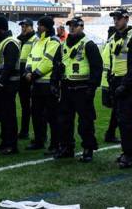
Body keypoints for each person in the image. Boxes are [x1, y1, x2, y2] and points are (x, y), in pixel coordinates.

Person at [56, 17, 102, 161]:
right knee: (64, 121)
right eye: (70, 26)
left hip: (83, 89)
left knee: (85, 122)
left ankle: (88, 149)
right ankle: (66, 147)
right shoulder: (62, 45)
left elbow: (97, 68)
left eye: (75, 26)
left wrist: (92, 88)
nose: (72, 28)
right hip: (66, 87)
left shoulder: (89, 44)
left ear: (82, 27)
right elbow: (56, 65)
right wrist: (53, 83)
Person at [107, 8, 132, 168]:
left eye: (118, 18)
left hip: (129, 84)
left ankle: (128, 153)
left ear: (126, 19)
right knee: (126, 119)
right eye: (114, 18)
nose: (115, 21)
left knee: (125, 121)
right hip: (118, 81)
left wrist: (125, 85)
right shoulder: (114, 37)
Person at [25, 16, 62, 155]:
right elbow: (30, 57)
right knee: (36, 114)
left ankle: (55, 144)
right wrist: (28, 70)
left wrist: (33, 74)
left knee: (51, 116)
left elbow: (48, 61)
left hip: (48, 84)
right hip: (36, 83)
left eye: (40, 25)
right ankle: (39, 140)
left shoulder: (53, 41)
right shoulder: (38, 41)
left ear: (46, 27)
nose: (37, 28)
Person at [0, 16, 22, 155]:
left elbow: (9, 65)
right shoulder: (3, 42)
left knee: (9, 116)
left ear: (0, 28)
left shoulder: (10, 43)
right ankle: (4, 141)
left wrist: (2, 82)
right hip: (1, 84)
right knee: (2, 115)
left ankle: (11, 145)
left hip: (8, 85)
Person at [17, 18, 37, 140]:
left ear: (31, 27)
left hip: (31, 76)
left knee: (34, 107)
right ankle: (24, 131)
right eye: (22, 26)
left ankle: (38, 134)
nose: (23, 28)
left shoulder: (35, 40)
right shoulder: (19, 40)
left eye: (25, 26)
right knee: (25, 106)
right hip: (21, 76)